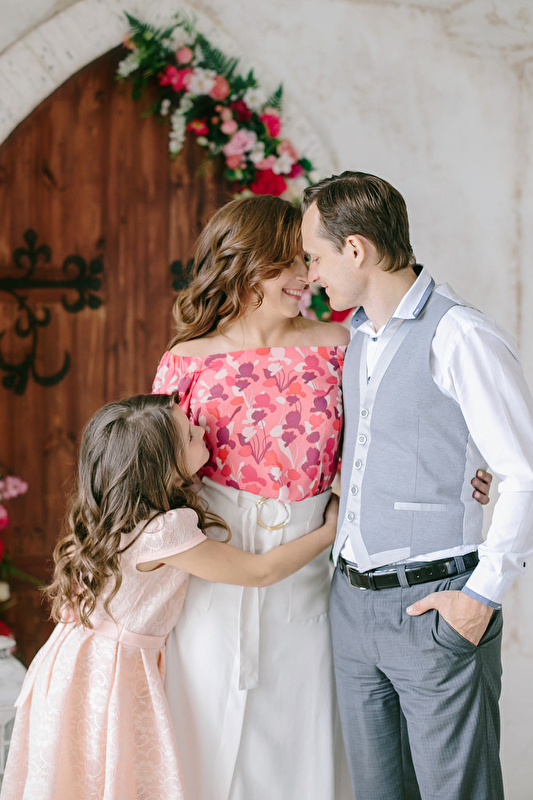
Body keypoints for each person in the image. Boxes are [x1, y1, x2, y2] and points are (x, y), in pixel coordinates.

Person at [152, 194, 492, 800]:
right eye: (289, 262)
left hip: (310, 578)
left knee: (303, 742)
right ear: (245, 264)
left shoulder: (341, 343)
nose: (306, 276)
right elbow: (154, 476)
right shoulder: (186, 361)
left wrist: (473, 467)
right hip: (214, 576)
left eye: (307, 259)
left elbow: (399, 426)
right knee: (205, 735)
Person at [301, 170, 533, 800]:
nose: (311, 274)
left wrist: (479, 598)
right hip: (351, 607)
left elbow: (523, 474)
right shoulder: (354, 339)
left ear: (356, 249)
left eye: (315, 256)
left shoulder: (461, 334)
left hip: (436, 606)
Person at [0, 393, 338, 800]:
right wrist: (328, 531)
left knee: (80, 777)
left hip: (72, 663)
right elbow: (259, 571)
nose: (202, 428)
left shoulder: (109, 515)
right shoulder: (162, 532)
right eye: (189, 435)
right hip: (109, 672)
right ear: (162, 467)